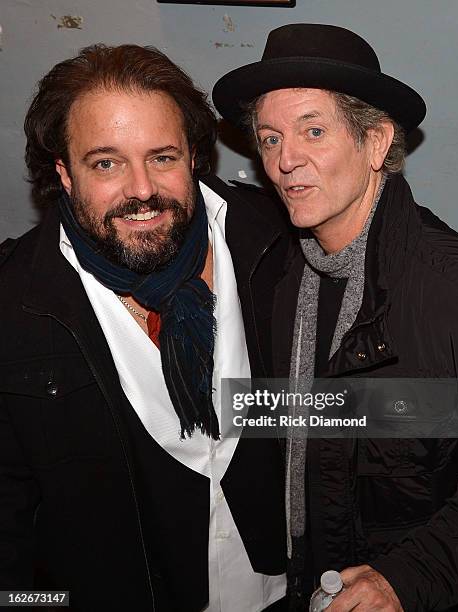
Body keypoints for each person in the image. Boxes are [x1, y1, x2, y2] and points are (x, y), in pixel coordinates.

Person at [0, 44, 290, 612]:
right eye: (105, 163)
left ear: (194, 157)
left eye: (162, 157)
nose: (141, 189)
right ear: (63, 172)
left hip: (285, 590)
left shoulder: (272, 240)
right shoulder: (17, 305)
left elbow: (343, 410)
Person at [212, 23, 458, 611]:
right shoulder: (274, 272)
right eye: (271, 139)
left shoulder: (450, 291)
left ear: (377, 143)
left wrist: (407, 578)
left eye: (314, 131)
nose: (286, 161)